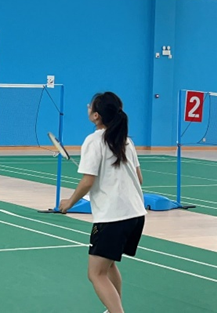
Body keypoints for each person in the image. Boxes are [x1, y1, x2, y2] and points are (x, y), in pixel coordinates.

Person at [59, 92, 146, 313]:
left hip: (113, 217)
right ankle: (113, 308)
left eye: (90, 106)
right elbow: (139, 179)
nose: (87, 108)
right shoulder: (126, 141)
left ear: (96, 115)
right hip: (136, 215)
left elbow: (88, 181)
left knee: (95, 273)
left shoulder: (94, 141)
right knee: (108, 265)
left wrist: (69, 203)